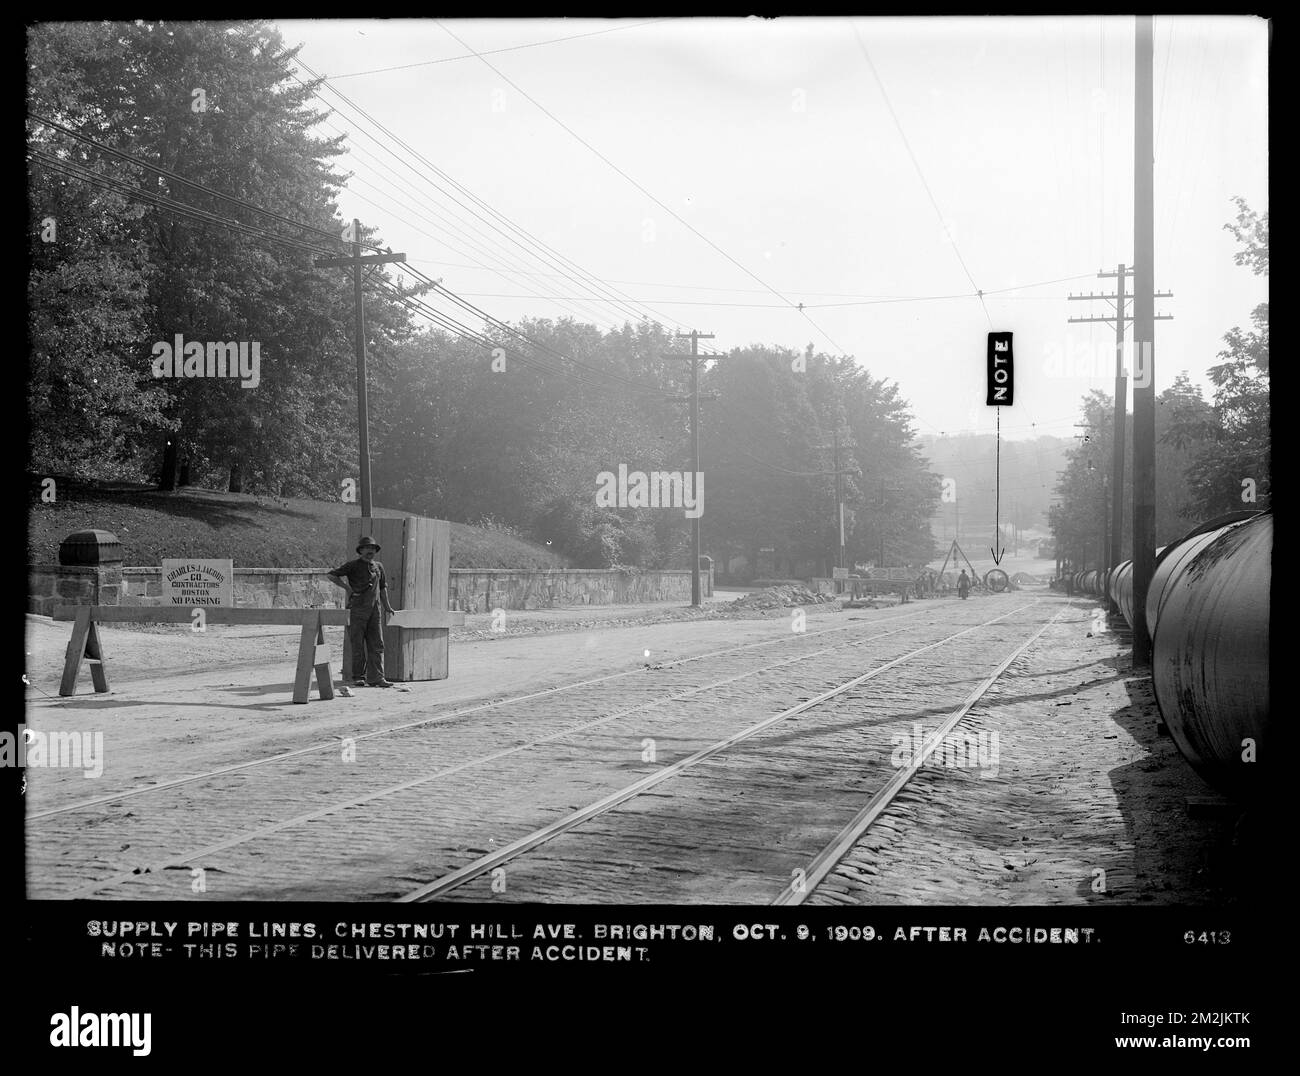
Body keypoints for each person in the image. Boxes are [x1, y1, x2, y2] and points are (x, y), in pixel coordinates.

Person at [327, 535, 396, 688]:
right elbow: (331, 575)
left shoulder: (379, 566)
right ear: (361, 550)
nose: (370, 551)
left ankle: (377, 678)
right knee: (357, 644)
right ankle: (358, 677)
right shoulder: (353, 565)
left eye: (372, 548)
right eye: (367, 548)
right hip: (357, 610)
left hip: (374, 611)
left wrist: (387, 607)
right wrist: (347, 588)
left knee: (377, 644)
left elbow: (383, 588)